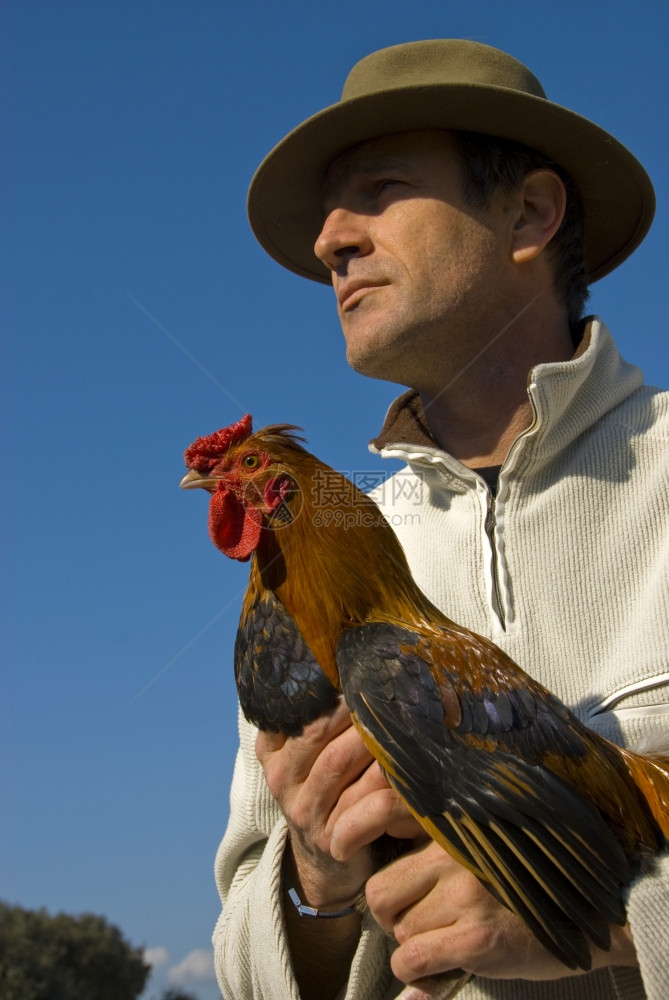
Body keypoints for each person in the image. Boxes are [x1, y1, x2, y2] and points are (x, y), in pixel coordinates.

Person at [212, 39, 669, 1000]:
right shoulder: (310, 565)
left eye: (379, 189)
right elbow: (247, 964)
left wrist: (617, 918)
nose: (328, 239)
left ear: (529, 215)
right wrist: (319, 881)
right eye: (332, 215)